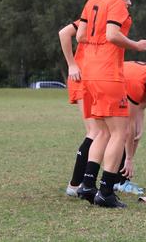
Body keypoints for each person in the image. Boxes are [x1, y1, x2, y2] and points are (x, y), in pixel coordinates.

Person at [75, 0, 146, 208]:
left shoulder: (92, 0)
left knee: (102, 132)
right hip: (108, 73)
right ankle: (105, 191)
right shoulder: (117, 1)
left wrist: (96, 49)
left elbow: (80, 34)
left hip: (91, 73)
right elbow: (112, 34)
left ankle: (87, 185)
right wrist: (136, 46)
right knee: (120, 132)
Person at [59, 19, 99, 197]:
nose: (129, 2)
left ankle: (82, 182)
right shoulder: (93, 14)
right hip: (83, 77)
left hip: (95, 78)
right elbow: (64, 33)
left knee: (99, 132)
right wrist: (72, 64)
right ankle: (75, 184)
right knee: (96, 132)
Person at [114, 58, 146, 194]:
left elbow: (140, 107)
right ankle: (117, 181)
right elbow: (130, 123)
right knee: (111, 134)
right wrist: (129, 158)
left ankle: (121, 180)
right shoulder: (138, 80)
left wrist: (140, 127)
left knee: (135, 134)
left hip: (122, 87)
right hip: (107, 83)